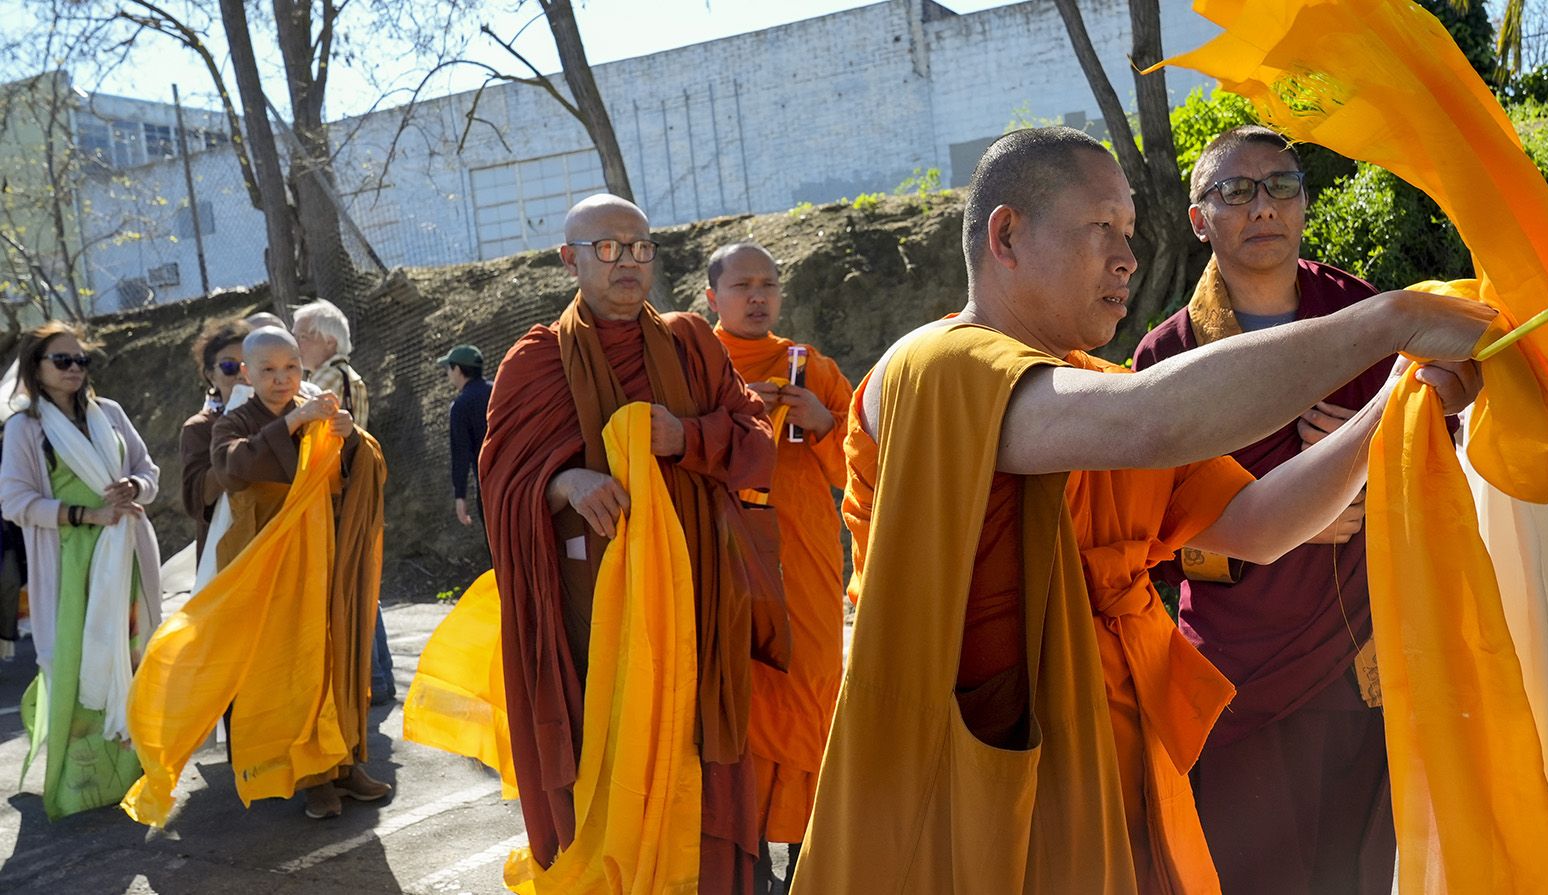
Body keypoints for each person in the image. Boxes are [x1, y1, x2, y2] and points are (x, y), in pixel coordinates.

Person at [791, 127, 1491, 894]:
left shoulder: (1091, 383)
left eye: (1129, 231)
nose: (1127, 256)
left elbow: (1260, 524)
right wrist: (1385, 323)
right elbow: (1149, 417)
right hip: (987, 793)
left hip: (1126, 780)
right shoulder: (937, 367)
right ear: (1007, 234)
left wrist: (1395, 399)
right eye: (1102, 229)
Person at [1129, 125, 1421, 894]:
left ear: (1304, 201)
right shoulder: (1167, 359)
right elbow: (1147, 544)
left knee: (1362, 868)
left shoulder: (1358, 315)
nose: (1262, 207)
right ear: (1200, 220)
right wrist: (1283, 525)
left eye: (1280, 185)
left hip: (1357, 657)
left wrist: (1368, 486)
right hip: (1235, 672)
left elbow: (1434, 458)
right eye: (1235, 190)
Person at [480, 194, 775, 892]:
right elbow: (502, 480)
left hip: (697, 594)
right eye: (607, 248)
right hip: (593, 610)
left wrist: (690, 436)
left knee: (694, 743)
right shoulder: (536, 359)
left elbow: (757, 442)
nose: (628, 263)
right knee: (608, 742)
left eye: (640, 247)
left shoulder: (690, 342)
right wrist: (565, 482)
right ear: (570, 260)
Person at [704, 242, 853, 886]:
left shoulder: (809, 367)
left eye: (768, 284)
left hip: (805, 552)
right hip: (728, 551)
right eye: (743, 286)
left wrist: (823, 422)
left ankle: (807, 852)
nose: (758, 297)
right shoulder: (697, 365)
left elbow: (864, 469)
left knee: (812, 679)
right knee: (741, 693)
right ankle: (747, 850)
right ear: (712, 297)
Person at [208, 326, 391, 820]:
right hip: (277, 569)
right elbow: (231, 469)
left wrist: (353, 439)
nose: (281, 378)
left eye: (290, 367)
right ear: (246, 373)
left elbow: (360, 468)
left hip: (332, 556)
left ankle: (347, 762)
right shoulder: (235, 420)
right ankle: (312, 778)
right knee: (297, 669)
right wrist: (290, 424)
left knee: (342, 659)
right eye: (267, 370)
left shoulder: (318, 408)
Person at [0, 322, 164, 820]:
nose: (75, 369)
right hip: (68, 566)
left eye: (81, 360)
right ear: (37, 368)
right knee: (73, 663)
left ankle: (136, 770)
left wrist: (134, 486)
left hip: (127, 555)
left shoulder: (109, 413)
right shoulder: (25, 429)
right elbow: (14, 501)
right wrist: (85, 515)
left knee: (133, 657)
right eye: (62, 361)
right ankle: (80, 782)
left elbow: (150, 472)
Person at [292, 298, 393, 705]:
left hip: (338, 495)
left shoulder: (326, 383)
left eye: (300, 336)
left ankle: (374, 678)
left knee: (348, 586)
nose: (294, 344)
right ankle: (380, 675)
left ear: (327, 341)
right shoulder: (346, 376)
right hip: (353, 491)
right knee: (360, 581)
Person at [179, 318, 251, 567]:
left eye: (250, 365)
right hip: (225, 557)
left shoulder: (284, 417)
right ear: (211, 375)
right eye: (230, 367)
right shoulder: (200, 428)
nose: (241, 375)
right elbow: (198, 500)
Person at [439, 344, 492, 528]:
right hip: (520, 477)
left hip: (489, 488)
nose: (448, 372)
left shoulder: (460, 406)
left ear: (458, 369)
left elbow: (460, 454)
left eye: (449, 367)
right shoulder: (498, 391)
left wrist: (460, 496)